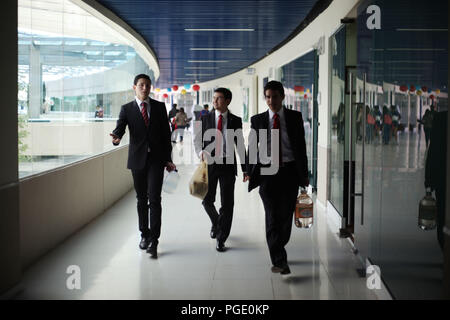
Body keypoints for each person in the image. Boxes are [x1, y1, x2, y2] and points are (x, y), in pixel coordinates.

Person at [245, 81, 309, 275]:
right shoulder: (258, 120)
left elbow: (301, 148)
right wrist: (248, 170)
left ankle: (279, 245)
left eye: (274, 96)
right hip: (267, 173)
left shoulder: (295, 117)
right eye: (267, 97)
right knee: (272, 216)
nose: (270, 100)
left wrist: (304, 175)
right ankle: (280, 260)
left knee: (286, 216)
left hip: (289, 171)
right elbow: (252, 147)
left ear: (282, 97)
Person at [110, 74, 176, 258]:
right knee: (141, 199)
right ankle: (144, 235)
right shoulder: (127, 109)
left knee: (154, 199)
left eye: (147, 85)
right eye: (141, 85)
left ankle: (154, 240)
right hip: (137, 161)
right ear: (134, 87)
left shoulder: (159, 107)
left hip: (156, 160)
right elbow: (119, 129)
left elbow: (165, 135)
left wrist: (168, 159)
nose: (145, 88)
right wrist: (116, 138)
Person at [194, 88, 246, 252]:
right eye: (214, 98)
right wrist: (200, 152)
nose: (214, 101)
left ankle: (221, 237)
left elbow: (241, 145)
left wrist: (246, 169)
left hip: (227, 165)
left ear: (228, 101)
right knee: (207, 200)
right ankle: (217, 223)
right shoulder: (204, 118)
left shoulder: (235, 120)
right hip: (210, 164)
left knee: (227, 203)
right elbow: (197, 140)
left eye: (219, 98)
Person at [425, 110, 447, 251]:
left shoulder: (440, 119)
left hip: (441, 179)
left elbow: (433, 152)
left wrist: (429, 180)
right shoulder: (440, 119)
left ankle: (443, 245)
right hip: (442, 179)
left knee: (442, 213)